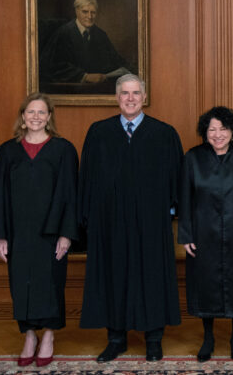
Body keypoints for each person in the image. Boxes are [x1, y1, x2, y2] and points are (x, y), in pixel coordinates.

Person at [78, 74, 183, 363]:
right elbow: (86, 180)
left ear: (144, 97)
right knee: (113, 277)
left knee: (151, 276)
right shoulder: (98, 133)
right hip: (109, 224)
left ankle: (153, 339)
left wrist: (168, 214)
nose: (130, 98)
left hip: (151, 223)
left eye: (136, 93)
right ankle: (116, 339)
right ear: (116, 97)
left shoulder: (164, 134)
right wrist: (88, 219)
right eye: (125, 93)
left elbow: (176, 180)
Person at [0, 93, 77, 368]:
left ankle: (48, 335)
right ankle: (29, 336)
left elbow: (70, 195)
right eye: (30, 112)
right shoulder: (7, 151)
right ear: (22, 117)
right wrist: (0, 234)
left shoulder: (64, 149)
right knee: (21, 283)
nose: (36, 117)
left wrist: (66, 233)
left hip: (51, 232)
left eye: (41, 112)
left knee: (51, 284)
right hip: (18, 232)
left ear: (49, 117)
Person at [177, 106, 233, 362]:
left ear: (232, 131)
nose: (217, 135)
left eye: (223, 129)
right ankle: (208, 338)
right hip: (204, 235)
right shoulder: (192, 158)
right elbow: (185, 200)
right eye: (212, 129)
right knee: (206, 286)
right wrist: (187, 235)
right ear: (205, 132)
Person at [39, 0, 131, 86]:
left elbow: (114, 60)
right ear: (76, 11)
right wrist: (84, 76)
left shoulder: (100, 35)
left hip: (96, 87)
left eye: (93, 12)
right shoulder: (63, 33)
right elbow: (51, 65)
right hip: (69, 88)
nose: (89, 16)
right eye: (85, 12)